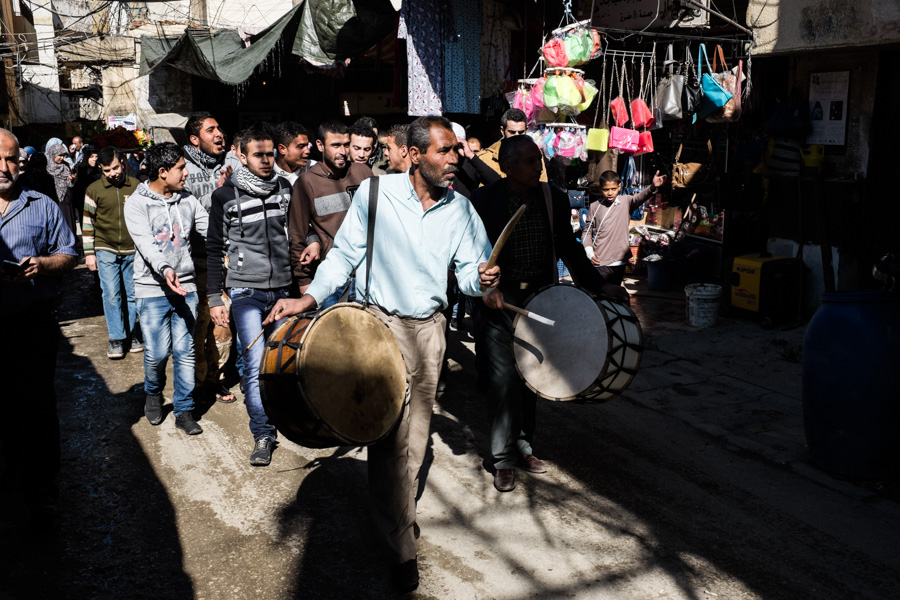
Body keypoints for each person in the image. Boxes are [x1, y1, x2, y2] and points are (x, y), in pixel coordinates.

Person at [263, 116, 499, 593]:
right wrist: (308, 298)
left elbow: (471, 273)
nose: (456, 160)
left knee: (413, 438)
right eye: (445, 151)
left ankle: (392, 517)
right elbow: (343, 257)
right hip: (378, 331)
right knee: (389, 440)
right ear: (414, 156)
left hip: (431, 331)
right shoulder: (374, 195)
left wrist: (483, 281)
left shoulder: (461, 210)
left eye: (455, 151)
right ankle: (399, 542)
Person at [470, 135, 620, 493]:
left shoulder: (552, 197)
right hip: (498, 302)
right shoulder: (483, 201)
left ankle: (523, 447)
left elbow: (569, 248)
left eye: (537, 159)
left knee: (532, 378)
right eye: (527, 161)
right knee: (503, 381)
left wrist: (600, 287)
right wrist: (482, 288)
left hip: (539, 302)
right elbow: (468, 252)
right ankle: (502, 459)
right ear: (506, 167)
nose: (537, 166)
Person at [0, 128, 77, 520]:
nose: (4, 167)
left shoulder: (41, 204)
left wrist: (41, 265)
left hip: (32, 321)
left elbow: (68, 254)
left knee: (39, 406)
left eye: (11, 159)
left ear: (23, 162)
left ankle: (43, 491)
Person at [207, 128, 293, 466]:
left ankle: (288, 418)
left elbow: (301, 230)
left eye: (271, 154)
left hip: (285, 290)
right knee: (255, 361)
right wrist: (215, 297)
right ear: (241, 156)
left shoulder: (286, 188)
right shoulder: (225, 197)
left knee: (285, 362)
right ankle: (262, 433)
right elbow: (214, 248)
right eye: (259, 154)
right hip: (246, 291)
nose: (267, 161)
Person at [124, 142, 209, 435]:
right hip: (151, 288)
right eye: (181, 168)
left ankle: (184, 409)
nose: (186, 173)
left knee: (185, 351)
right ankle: (153, 391)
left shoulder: (188, 200)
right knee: (157, 353)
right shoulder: (136, 203)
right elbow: (146, 245)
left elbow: (209, 228)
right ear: (162, 172)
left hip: (186, 285)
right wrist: (165, 268)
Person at [288, 120, 372, 301]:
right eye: (335, 145)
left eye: (346, 145)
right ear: (320, 145)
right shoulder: (306, 183)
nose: (342, 151)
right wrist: (303, 281)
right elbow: (297, 233)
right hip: (331, 281)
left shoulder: (363, 173)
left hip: (367, 276)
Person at [182, 111, 234, 402]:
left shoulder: (231, 165)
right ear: (194, 138)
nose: (219, 134)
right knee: (198, 325)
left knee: (223, 326)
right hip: (197, 260)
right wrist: (216, 196)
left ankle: (216, 379)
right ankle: (196, 382)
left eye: (219, 129)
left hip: (228, 259)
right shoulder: (183, 169)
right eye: (210, 130)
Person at [83, 147, 142, 358]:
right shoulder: (93, 190)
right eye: (107, 170)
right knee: (111, 294)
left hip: (132, 250)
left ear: (123, 164)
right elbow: (88, 223)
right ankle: (116, 338)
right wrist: (89, 253)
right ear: (101, 169)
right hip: (105, 249)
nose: (112, 173)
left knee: (133, 295)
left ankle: (132, 332)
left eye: (115, 168)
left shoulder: (136, 186)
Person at [582, 169, 666, 286]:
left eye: (613, 189)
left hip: (619, 261)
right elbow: (587, 232)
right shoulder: (594, 206)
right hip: (601, 261)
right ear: (600, 189)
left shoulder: (626, 201)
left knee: (615, 295)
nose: (610, 193)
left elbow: (640, 197)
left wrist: (652, 186)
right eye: (606, 189)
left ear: (619, 187)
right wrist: (589, 252)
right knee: (601, 294)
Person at [476, 108, 548, 182]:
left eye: (521, 132)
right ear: (502, 131)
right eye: (512, 132)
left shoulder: (535, 156)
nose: (517, 136)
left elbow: (542, 185)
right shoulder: (485, 158)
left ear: (526, 130)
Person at [45, 143, 76, 233]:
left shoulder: (66, 166)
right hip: (53, 199)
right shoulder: (47, 168)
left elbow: (70, 184)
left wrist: (71, 180)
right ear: (53, 154)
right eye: (60, 155)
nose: (62, 158)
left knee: (68, 223)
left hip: (66, 200)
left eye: (64, 155)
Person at [71, 144, 100, 234]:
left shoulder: (98, 169)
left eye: (96, 156)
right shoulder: (81, 168)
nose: (95, 159)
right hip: (83, 202)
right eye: (92, 157)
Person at [273, 121, 313, 185]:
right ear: (282, 149)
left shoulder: (314, 168)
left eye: (307, 145)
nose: (307, 151)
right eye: (301, 146)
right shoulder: (268, 173)